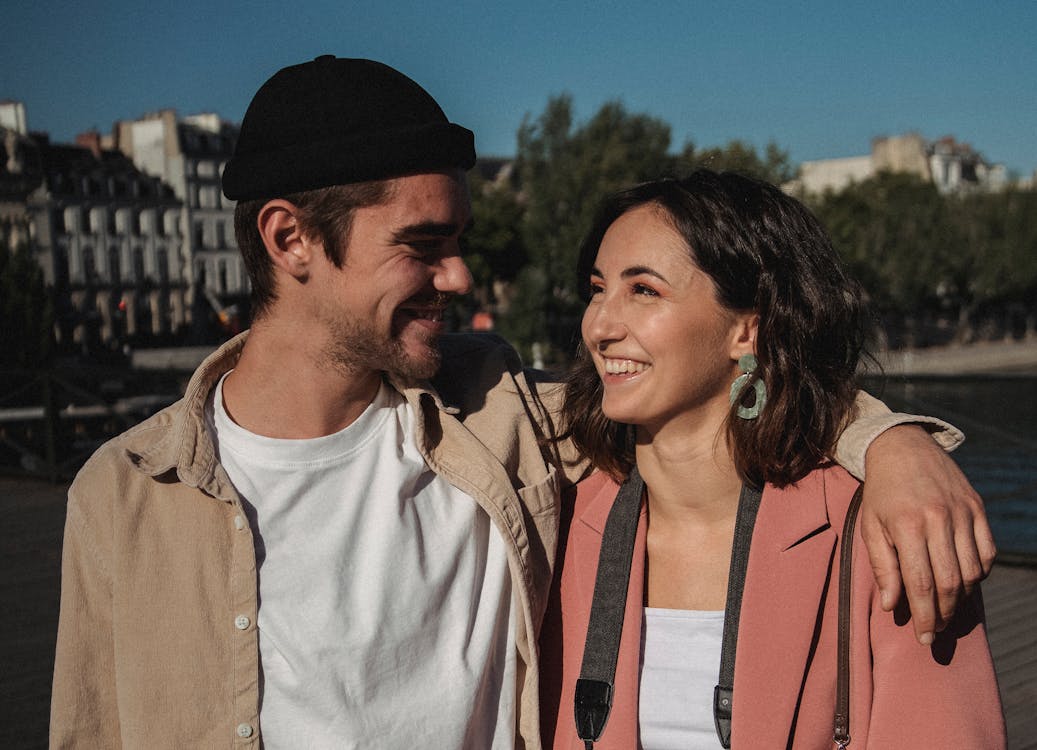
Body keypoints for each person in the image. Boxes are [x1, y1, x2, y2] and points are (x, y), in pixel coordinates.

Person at [49, 57, 993, 749]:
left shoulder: (496, 417)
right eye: (423, 243)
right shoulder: (124, 494)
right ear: (290, 238)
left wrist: (894, 443)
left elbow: (706, 401)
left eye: (458, 240)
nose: (458, 274)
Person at [539, 171, 1005, 749]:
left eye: (644, 290)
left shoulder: (881, 531)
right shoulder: (553, 518)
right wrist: (893, 437)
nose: (599, 326)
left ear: (747, 330)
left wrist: (897, 442)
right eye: (597, 288)